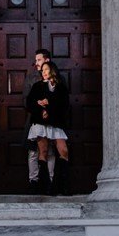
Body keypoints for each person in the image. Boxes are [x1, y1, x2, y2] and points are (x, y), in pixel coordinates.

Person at [25, 58, 72, 196]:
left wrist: (48, 106)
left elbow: (63, 105)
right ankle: (44, 187)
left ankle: (62, 186)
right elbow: (30, 103)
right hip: (40, 123)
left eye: (46, 69)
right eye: (42, 70)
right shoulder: (37, 86)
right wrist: (41, 107)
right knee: (43, 152)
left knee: (63, 151)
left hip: (56, 123)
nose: (43, 72)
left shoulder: (61, 87)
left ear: (52, 70)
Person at [25, 49, 52, 193]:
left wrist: (49, 106)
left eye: (39, 60)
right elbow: (26, 100)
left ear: (47, 60)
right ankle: (33, 182)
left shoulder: (58, 78)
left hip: (53, 119)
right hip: (34, 119)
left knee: (51, 150)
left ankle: (51, 181)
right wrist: (38, 106)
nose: (36, 63)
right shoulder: (31, 78)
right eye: (35, 60)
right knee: (33, 151)